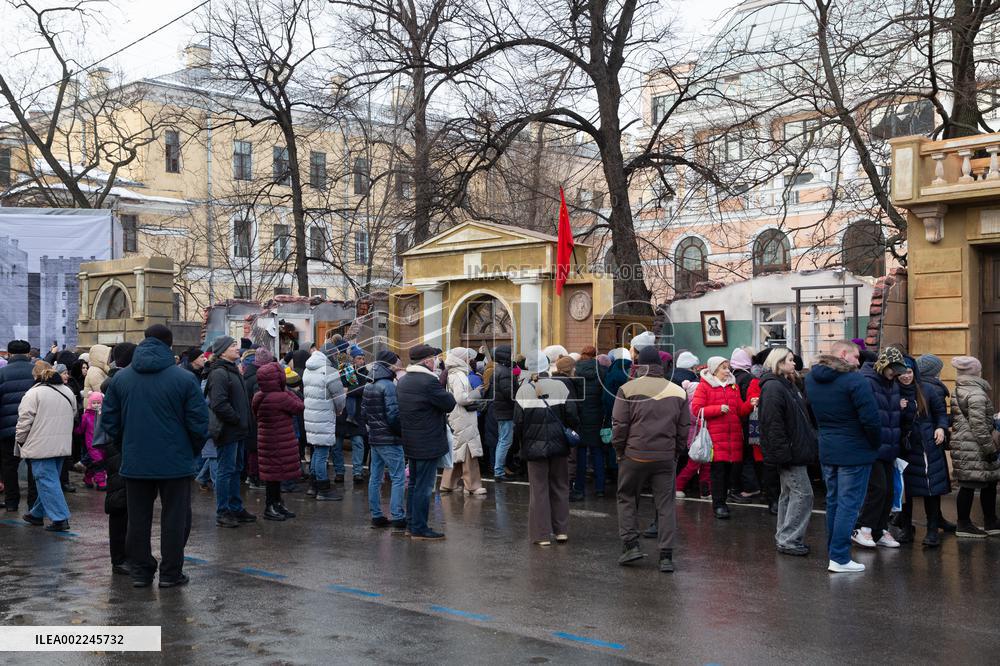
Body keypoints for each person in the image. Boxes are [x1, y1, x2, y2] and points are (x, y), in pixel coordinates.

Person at [100, 324, 209, 588]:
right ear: (170, 346)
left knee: (137, 520)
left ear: (144, 341)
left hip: (136, 460)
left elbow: (109, 423)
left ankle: (140, 571)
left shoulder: (121, 380)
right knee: (176, 519)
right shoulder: (184, 379)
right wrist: (189, 451)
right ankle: (171, 573)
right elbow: (199, 423)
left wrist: (128, 445)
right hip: (176, 461)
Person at [804, 340, 881, 573]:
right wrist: (874, 444)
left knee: (834, 502)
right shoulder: (854, 380)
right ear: (844, 354)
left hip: (828, 447)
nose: (859, 361)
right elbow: (870, 418)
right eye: (857, 357)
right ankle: (839, 557)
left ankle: (835, 554)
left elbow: (812, 413)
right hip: (855, 449)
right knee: (849, 505)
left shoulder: (810, 379)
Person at [613, 346, 690, 572]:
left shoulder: (627, 389)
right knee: (665, 504)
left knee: (627, 497)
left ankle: (631, 545)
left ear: (639, 365)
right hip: (665, 456)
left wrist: (619, 451)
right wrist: (675, 452)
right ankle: (666, 555)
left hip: (634, 454)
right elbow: (683, 428)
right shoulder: (677, 391)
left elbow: (620, 426)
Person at [758, 347, 818, 556]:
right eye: (790, 360)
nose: (795, 364)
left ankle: (785, 537)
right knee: (803, 494)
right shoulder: (774, 387)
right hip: (789, 453)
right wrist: (782, 455)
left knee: (789, 494)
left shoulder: (788, 385)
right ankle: (789, 539)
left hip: (794, 450)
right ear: (779, 363)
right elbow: (772, 425)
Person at [514, 351, 577, 546]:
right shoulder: (561, 386)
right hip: (559, 444)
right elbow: (572, 416)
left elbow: (518, 423)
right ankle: (561, 531)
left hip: (533, 447)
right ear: (547, 365)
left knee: (539, 489)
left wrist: (521, 446)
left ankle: (541, 535)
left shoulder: (523, 390)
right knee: (560, 486)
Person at [397, 344, 455, 540]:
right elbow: (449, 403)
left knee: (413, 484)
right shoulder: (428, 382)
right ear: (427, 361)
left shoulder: (404, 380)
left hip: (411, 440)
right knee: (424, 486)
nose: (436, 361)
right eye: (434, 358)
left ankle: (411, 524)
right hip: (427, 440)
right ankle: (420, 528)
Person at [895, 358, 950, 547]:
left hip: (928, 446)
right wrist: (898, 409)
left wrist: (941, 428)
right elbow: (886, 418)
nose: (906, 376)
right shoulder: (892, 391)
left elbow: (941, 414)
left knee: (931, 488)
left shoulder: (928, 390)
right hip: (904, 447)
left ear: (914, 372)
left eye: (909, 372)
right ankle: (906, 528)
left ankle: (932, 530)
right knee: (906, 490)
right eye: (902, 372)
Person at [690, 356, 754, 519]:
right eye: (724, 368)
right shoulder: (704, 387)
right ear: (714, 370)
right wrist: (718, 409)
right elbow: (697, 410)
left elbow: (740, 410)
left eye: (728, 367)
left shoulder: (734, 386)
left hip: (733, 437)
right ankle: (719, 505)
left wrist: (750, 404)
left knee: (731, 473)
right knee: (718, 473)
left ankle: (723, 502)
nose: (728, 371)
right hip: (714, 437)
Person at [854, 348, 905, 549]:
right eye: (893, 369)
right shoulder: (867, 381)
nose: (896, 373)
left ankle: (879, 529)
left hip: (889, 446)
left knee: (889, 491)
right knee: (878, 488)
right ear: (883, 364)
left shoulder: (892, 384)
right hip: (872, 445)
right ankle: (862, 527)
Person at [17, 361, 76, 532]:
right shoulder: (67, 391)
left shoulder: (33, 393)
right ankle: (36, 514)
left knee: (46, 481)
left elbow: (24, 422)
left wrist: (21, 440)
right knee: (50, 481)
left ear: (36, 376)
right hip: (62, 443)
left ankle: (60, 518)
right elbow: (73, 413)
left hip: (40, 445)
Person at [207, 336, 256, 528]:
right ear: (223, 351)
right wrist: (236, 419)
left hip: (238, 430)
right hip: (228, 430)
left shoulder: (232, 369)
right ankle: (223, 511)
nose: (237, 348)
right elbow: (219, 403)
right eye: (233, 345)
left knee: (236, 469)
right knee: (226, 471)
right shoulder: (219, 373)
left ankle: (236, 507)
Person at [948, 355, 1000, 538]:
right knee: (969, 483)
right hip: (974, 445)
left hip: (967, 442)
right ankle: (964, 524)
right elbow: (979, 426)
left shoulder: (961, 389)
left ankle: (991, 521)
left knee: (989, 482)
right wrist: (991, 449)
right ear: (975, 372)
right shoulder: (976, 393)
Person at [251, 361, 304, 521]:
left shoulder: (259, 396)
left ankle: (276, 504)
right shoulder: (280, 397)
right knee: (276, 476)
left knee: (272, 475)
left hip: (266, 440)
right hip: (279, 441)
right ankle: (271, 507)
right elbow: (299, 406)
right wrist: (287, 389)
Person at [361, 350, 406, 529]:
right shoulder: (388, 385)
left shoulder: (369, 383)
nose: (398, 365)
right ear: (389, 364)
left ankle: (377, 514)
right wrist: (401, 433)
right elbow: (394, 415)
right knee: (398, 477)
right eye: (396, 362)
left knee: (375, 477)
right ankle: (397, 516)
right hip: (389, 438)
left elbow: (363, 413)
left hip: (375, 437)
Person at [440, 347, 487, 495]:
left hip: (457, 416)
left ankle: (448, 484)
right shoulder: (459, 374)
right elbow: (461, 398)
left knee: (458, 450)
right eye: (467, 357)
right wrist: (477, 392)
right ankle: (472, 485)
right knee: (468, 450)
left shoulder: (452, 373)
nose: (470, 360)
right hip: (463, 416)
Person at [0, 340, 39, 512]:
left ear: (9, 354)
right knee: (33, 466)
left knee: (9, 466)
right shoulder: (36, 372)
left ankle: (11, 502)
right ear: (28, 353)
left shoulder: (2, 373)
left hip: (7, 428)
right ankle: (32, 503)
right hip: (33, 427)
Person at [303, 346, 346, 501]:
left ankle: (313, 486)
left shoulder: (308, 369)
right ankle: (323, 488)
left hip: (311, 416)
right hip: (324, 415)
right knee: (322, 453)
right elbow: (339, 397)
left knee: (316, 451)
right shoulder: (329, 371)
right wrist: (340, 409)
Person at [573, 345, 606, 500]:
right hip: (597, 416)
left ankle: (579, 488)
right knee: (597, 452)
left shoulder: (576, 371)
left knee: (581, 454)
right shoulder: (602, 371)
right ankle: (600, 488)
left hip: (580, 417)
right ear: (595, 355)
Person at [334, 345, 368, 485]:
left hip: (357, 415)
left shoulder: (365, 373)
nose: (362, 361)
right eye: (359, 358)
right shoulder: (342, 370)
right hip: (341, 413)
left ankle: (357, 473)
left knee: (358, 443)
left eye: (363, 358)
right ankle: (339, 472)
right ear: (352, 360)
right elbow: (338, 388)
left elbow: (362, 389)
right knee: (336, 445)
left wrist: (348, 390)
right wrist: (349, 389)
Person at [490, 344, 517, 481]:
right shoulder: (505, 372)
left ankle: (498, 470)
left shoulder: (498, 370)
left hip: (500, 410)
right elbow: (509, 394)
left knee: (503, 440)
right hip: (506, 411)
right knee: (505, 441)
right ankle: (499, 471)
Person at [75, 391, 107, 490]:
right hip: (91, 444)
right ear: (90, 403)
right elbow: (81, 429)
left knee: (96, 462)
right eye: (94, 403)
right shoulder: (86, 416)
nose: (96, 405)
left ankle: (88, 477)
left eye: (98, 402)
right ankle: (100, 482)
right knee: (99, 461)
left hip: (102, 443)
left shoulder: (103, 415)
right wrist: (75, 430)